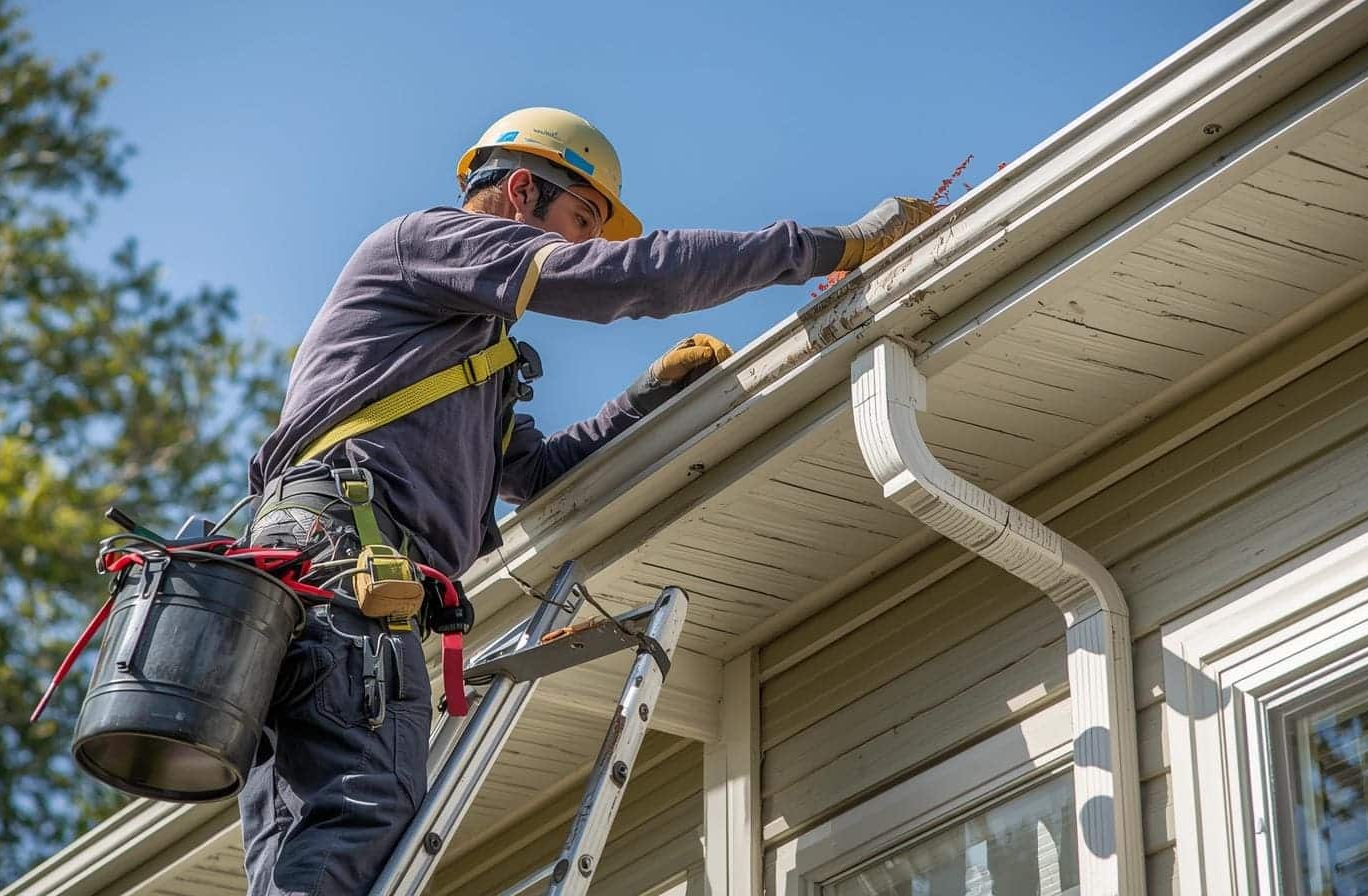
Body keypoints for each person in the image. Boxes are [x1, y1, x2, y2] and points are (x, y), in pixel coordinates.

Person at [237, 106, 935, 895]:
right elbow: (630, 277)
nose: (587, 245)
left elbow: (532, 474)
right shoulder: (429, 240)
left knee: (301, 844)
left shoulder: (455, 345)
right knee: (361, 810)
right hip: (344, 570)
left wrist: (643, 399)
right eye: (581, 219)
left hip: (317, 580)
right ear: (523, 189)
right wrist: (836, 245)